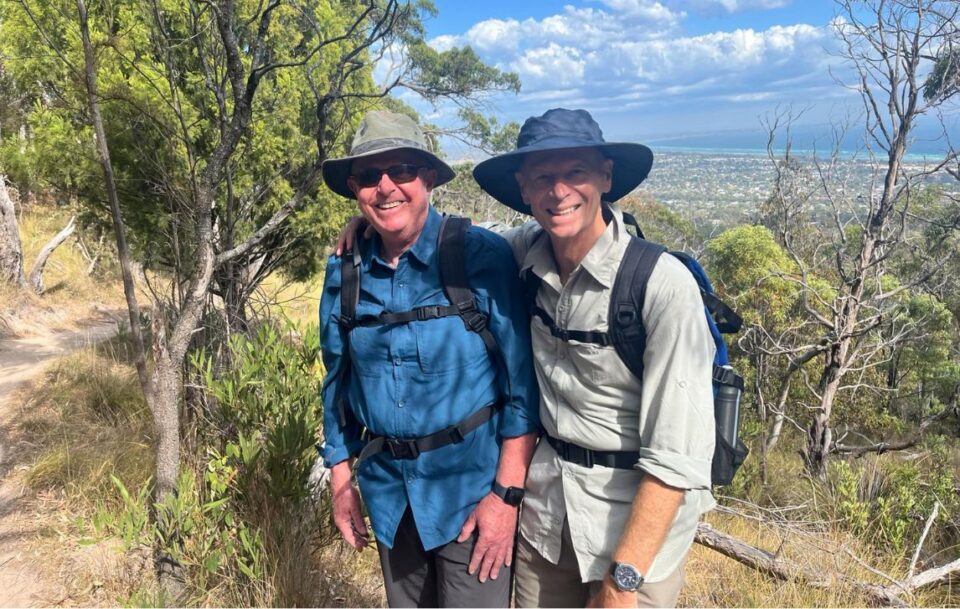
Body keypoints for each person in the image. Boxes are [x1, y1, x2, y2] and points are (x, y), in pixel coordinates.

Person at [471, 108, 716, 608]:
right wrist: (371, 219)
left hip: (635, 528)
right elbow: (450, 240)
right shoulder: (523, 253)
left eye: (575, 172)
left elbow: (676, 452)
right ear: (523, 189)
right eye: (542, 177)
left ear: (605, 176)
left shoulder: (660, 285)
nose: (558, 191)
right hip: (547, 518)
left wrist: (623, 581)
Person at [318, 110, 540, 608]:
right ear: (354, 188)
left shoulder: (479, 257)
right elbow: (336, 382)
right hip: (391, 500)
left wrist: (505, 499)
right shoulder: (345, 273)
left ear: (429, 178)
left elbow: (522, 390)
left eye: (401, 171)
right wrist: (340, 480)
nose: (386, 187)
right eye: (370, 177)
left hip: (471, 500)